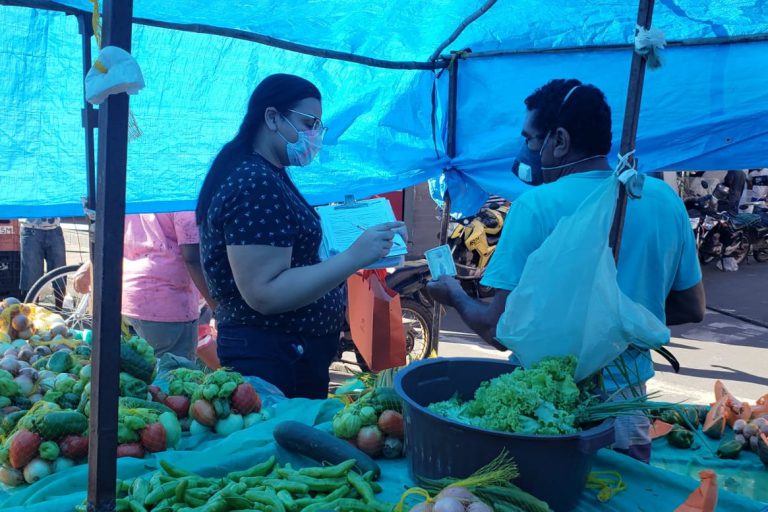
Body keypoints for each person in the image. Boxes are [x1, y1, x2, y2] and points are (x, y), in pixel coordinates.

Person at [428, 79, 705, 463]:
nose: (527, 150)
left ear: (558, 140)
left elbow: (499, 330)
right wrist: (618, 320)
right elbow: (692, 308)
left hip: (545, 412)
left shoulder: (535, 207)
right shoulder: (663, 200)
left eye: (530, 139)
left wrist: (454, 295)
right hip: (625, 409)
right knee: (621, 498)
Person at [196, 74, 404, 399]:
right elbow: (265, 292)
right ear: (272, 118)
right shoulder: (255, 182)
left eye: (318, 126)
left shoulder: (268, 173)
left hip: (287, 351)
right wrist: (353, 257)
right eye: (308, 123)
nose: (315, 135)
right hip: (274, 355)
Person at [73, 212, 216, 360]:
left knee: (138, 375)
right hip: (167, 303)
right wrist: (217, 305)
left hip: (127, 298)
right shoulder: (180, 199)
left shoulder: (132, 194)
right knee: (172, 374)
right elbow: (193, 256)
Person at [19, 217, 66, 305]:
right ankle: (32, 312)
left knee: (60, 274)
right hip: (30, 228)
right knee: (31, 277)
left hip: (55, 228)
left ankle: (60, 312)